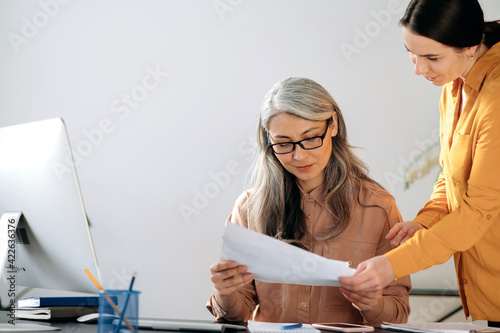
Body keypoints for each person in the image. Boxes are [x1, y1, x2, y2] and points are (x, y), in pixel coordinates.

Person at [339, 0, 500, 326]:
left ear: (469, 47)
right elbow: (453, 177)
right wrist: (425, 222)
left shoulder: (495, 100)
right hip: (482, 290)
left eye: (431, 58)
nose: (418, 69)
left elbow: (478, 210)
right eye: (411, 53)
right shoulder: (454, 86)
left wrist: (393, 265)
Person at [206, 77, 410, 326]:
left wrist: (373, 304)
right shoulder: (249, 208)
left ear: (332, 124)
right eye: (283, 144)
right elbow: (236, 316)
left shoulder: (378, 208)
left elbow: (398, 313)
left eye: (311, 137)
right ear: (269, 142)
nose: (298, 155)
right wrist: (225, 292)